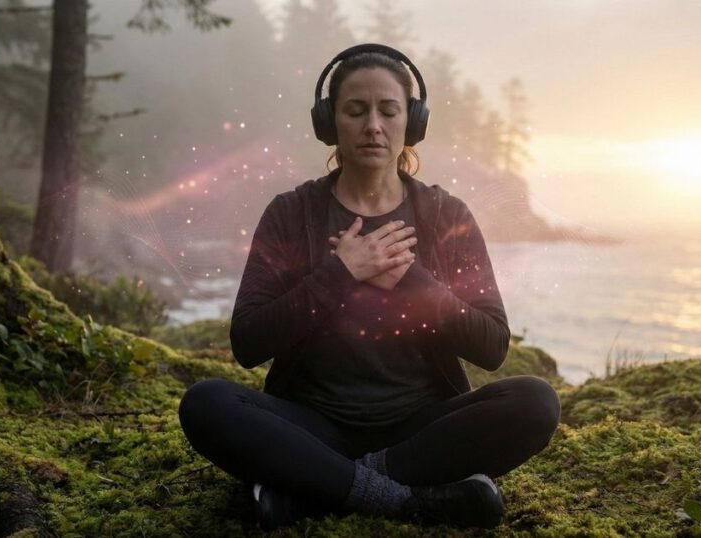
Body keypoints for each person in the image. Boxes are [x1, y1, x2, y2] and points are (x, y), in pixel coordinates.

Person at [178, 44, 561, 530]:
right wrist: (339, 276)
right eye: (355, 111)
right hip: (312, 427)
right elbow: (248, 343)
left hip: (420, 430)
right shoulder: (291, 214)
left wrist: (412, 282)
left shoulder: (447, 216)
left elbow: (492, 346)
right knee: (206, 403)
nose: (373, 126)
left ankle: (314, 490)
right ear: (330, 122)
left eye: (388, 110)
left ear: (411, 123)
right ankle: (406, 500)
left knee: (535, 401)